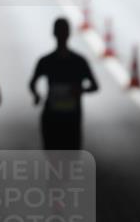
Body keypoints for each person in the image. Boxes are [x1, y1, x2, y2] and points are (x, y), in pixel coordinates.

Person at [29, 18, 99, 149]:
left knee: (62, 157)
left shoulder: (49, 61)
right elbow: (94, 86)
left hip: (66, 117)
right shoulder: (77, 61)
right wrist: (81, 90)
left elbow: (32, 83)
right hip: (59, 117)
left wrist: (80, 90)